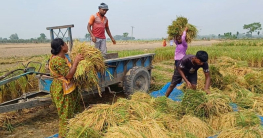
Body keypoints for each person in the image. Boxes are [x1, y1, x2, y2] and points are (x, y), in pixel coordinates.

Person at [49, 38, 84, 138]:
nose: (67, 45)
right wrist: (76, 61)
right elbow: (68, 75)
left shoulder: (63, 58)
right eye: (65, 44)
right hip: (63, 90)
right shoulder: (57, 60)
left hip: (69, 89)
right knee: (66, 116)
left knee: (75, 113)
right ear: (61, 47)